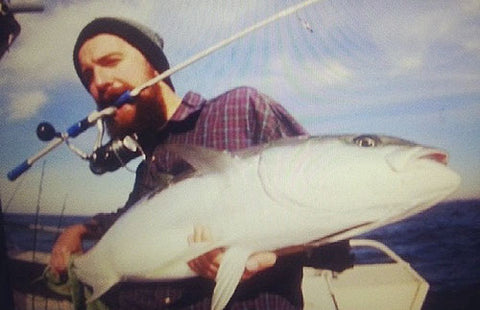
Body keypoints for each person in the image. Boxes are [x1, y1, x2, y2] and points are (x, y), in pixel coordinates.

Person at [49, 17, 352, 309]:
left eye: (111, 61)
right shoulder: (148, 164)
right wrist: (79, 230)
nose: (97, 83)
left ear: (154, 64)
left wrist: (265, 249)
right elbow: (133, 221)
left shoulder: (242, 108)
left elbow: (334, 225)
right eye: (87, 76)